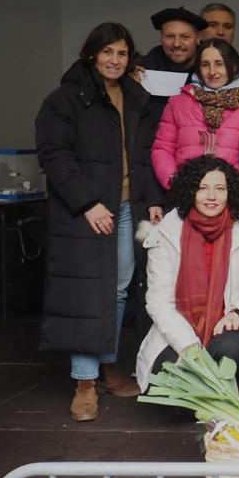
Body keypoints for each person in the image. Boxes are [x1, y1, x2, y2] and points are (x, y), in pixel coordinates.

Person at [36, 22, 164, 421]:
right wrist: (87, 203)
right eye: (107, 52)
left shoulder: (134, 96)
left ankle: (108, 366)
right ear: (91, 53)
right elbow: (54, 154)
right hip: (87, 211)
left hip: (126, 207)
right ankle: (85, 381)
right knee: (88, 294)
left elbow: (144, 155)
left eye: (122, 53)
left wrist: (153, 201)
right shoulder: (66, 98)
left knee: (119, 288)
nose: (114, 60)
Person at [135, 156, 239, 394]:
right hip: (180, 330)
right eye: (202, 188)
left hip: (226, 326)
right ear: (190, 191)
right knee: (171, 374)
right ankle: (217, 390)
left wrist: (238, 311)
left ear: (230, 193)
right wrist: (188, 345)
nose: (211, 196)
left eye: (219, 188)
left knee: (234, 349)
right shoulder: (166, 233)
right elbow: (158, 302)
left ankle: (234, 385)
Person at [151, 39, 239, 191]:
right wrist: (175, 182)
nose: (212, 72)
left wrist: (238, 187)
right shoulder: (178, 103)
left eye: (219, 64)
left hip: (234, 195)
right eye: (205, 64)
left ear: (233, 66)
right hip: (187, 195)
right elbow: (162, 148)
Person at [139, 7, 205, 75]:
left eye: (185, 37)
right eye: (169, 36)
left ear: (198, 38)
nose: (176, 44)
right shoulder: (144, 67)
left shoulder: (211, 66)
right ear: (161, 37)